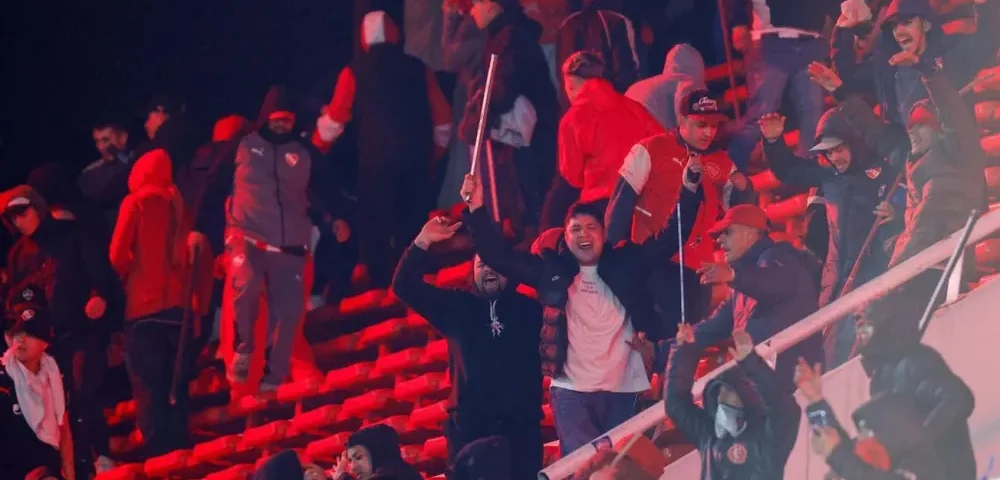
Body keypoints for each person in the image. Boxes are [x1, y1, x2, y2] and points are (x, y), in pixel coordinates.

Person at [461, 156, 703, 455]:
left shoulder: (627, 263)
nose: (584, 235)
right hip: (571, 391)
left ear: (603, 234)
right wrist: (476, 208)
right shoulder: (550, 270)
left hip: (623, 388)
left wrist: (689, 189)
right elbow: (499, 257)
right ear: (565, 236)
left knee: (622, 470)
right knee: (581, 470)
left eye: (591, 228)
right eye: (576, 229)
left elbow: (670, 238)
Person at [392, 216, 544, 479]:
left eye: (496, 264)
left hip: (521, 429)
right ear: (471, 273)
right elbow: (404, 285)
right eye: (482, 265)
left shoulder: (531, 310)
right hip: (469, 428)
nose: (489, 270)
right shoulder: (456, 306)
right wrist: (422, 241)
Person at [224, 85, 351, 391]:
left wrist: (338, 215)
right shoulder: (245, 147)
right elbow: (216, 187)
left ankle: (296, 369)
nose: (282, 126)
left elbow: (327, 184)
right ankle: (246, 386)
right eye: (277, 119)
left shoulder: (302, 152)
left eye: (287, 120)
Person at [314, 10, 451, 290]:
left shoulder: (355, 71)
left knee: (376, 233)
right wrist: (434, 153)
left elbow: (335, 120)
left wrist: (315, 146)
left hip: (376, 167)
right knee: (413, 233)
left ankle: (380, 292)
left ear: (364, 39)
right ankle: (415, 292)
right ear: (395, 35)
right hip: (415, 165)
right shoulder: (419, 69)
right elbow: (443, 120)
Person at [759, 109, 901, 367]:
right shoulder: (828, 175)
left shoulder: (884, 171)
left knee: (854, 347)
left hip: (872, 275)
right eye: (828, 152)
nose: (834, 157)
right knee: (825, 349)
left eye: (839, 149)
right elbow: (789, 170)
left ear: (855, 143)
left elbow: (913, 204)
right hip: (834, 278)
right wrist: (773, 142)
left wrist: (897, 213)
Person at [0, 186, 120, 476]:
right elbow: (15, 298)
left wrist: (99, 295)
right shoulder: (19, 255)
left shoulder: (71, 233)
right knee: (56, 404)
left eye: (23, 212)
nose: (19, 221)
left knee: (83, 388)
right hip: (46, 341)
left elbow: (99, 269)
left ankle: (101, 453)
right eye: (12, 217)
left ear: (37, 208)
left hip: (82, 329)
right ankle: (78, 464)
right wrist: (16, 328)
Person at [606, 89, 740, 333]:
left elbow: (738, 209)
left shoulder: (722, 162)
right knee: (662, 337)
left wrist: (743, 188)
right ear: (681, 120)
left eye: (714, 125)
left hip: (701, 270)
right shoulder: (650, 149)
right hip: (657, 264)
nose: (709, 132)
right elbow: (619, 206)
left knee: (691, 343)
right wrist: (609, 260)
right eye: (701, 125)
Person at [109, 149, 214, 456]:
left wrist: (132, 274)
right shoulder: (181, 206)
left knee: (148, 388)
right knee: (175, 387)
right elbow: (199, 260)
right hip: (178, 314)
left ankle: (158, 457)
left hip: (143, 313)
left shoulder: (136, 203)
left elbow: (116, 256)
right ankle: (179, 454)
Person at [690, 204, 823, 392]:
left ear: (750, 234)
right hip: (764, 382)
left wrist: (734, 275)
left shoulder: (779, 255)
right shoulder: (742, 283)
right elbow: (712, 327)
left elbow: (774, 283)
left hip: (792, 383)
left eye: (727, 232)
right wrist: (660, 350)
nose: (719, 240)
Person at [460, 0, 559, 236]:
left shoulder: (509, 37)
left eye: (474, 4)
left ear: (491, 4)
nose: (471, 11)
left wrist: (480, 111)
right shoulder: (506, 34)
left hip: (527, 137)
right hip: (528, 134)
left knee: (532, 203)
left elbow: (502, 90)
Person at [540, 50, 664, 230]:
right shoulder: (635, 108)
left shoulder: (573, 119)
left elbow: (571, 175)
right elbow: (661, 148)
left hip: (600, 206)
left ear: (570, 84)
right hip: (642, 202)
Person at [831, 0, 1000, 124]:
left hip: (949, 154)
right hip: (908, 156)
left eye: (907, 22)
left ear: (925, 24)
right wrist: (842, 31)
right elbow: (851, 78)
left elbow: (987, 43)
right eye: (893, 26)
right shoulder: (887, 65)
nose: (899, 31)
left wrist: (985, 5)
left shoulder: (951, 51)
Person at [850, 316, 977, 478]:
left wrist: (919, 438)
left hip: (949, 470)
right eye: (858, 327)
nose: (860, 334)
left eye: (866, 326)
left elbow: (958, 398)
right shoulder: (879, 378)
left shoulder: (916, 361)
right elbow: (893, 431)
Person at [666, 327, 800, 479]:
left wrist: (751, 362)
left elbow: (783, 408)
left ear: (745, 396)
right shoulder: (708, 435)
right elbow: (676, 404)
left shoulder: (767, 436)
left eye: (729, 392)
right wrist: (683, 353)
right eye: (718, 393)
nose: (721, 398)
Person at [723, 0, 840, 172]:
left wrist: (840, 21)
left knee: (813, 111)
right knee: (762, 113)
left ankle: (807, 173)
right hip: (770, 38)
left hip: (812, 40)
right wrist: (738, 22)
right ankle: (729, 171)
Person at [796, 361, 948, 479]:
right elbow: (842, 448)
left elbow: (860, 471)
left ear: (895, 434)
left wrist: (836, 454)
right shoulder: (888, 458)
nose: (860, 439)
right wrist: (815, 400)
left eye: (868, 432)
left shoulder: (923, 469)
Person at [1, 297, 75, 480]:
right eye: (17, 333)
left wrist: (69, 474)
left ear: (45, 342)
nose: (21, 340)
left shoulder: (54, 375)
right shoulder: (4, 380)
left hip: (48, 471)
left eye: (30, 334)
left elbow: (63, 426)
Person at [556, 0, 640, 96]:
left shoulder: (567, 25)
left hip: (576, 99)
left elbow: (562, 74)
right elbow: (625, 70)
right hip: (610, 98)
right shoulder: (617, 21)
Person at [625, 43, 707, 131]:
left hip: (621, 128)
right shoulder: (689, 85)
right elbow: (690, 131)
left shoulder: (641, 86)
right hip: (646, 133)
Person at [78, 121, 136, 229]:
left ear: (123, 138)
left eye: (106, 140)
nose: (101, 147)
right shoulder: (90, 174)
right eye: (97, 141)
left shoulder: (139, 163)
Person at [329, 425, 423, 480]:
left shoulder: (396, 475)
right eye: (350, 461)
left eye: (359, 458)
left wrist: (341, 478)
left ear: (379, 454)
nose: (353, 467)